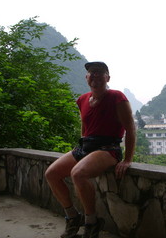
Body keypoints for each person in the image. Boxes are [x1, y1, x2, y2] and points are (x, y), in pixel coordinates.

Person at [45, 61, 136, 238]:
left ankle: (91, 222)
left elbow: (131, 129)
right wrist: (80, 145)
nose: (95, 76)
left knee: (78, 173)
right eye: (91, 73)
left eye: (100, 72)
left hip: (108, 148)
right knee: (51, 174)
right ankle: (72, 217)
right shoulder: (82, 99)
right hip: (86, 146)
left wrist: (127, 159)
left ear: (108, 78)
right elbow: (85, 127)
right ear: (87, 78)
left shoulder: (117, 97)